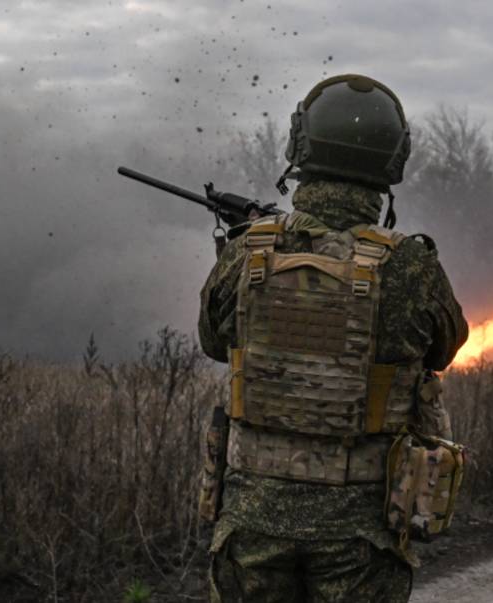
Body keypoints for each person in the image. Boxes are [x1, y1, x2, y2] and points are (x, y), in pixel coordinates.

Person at [197, 73, 468, 602]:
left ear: (302, 146)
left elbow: (213, 339)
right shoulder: (411, 264)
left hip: (252, 520)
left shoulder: (248, 251)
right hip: (360, 531)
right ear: (392, 159)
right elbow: (446, 347)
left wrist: (249, 246)